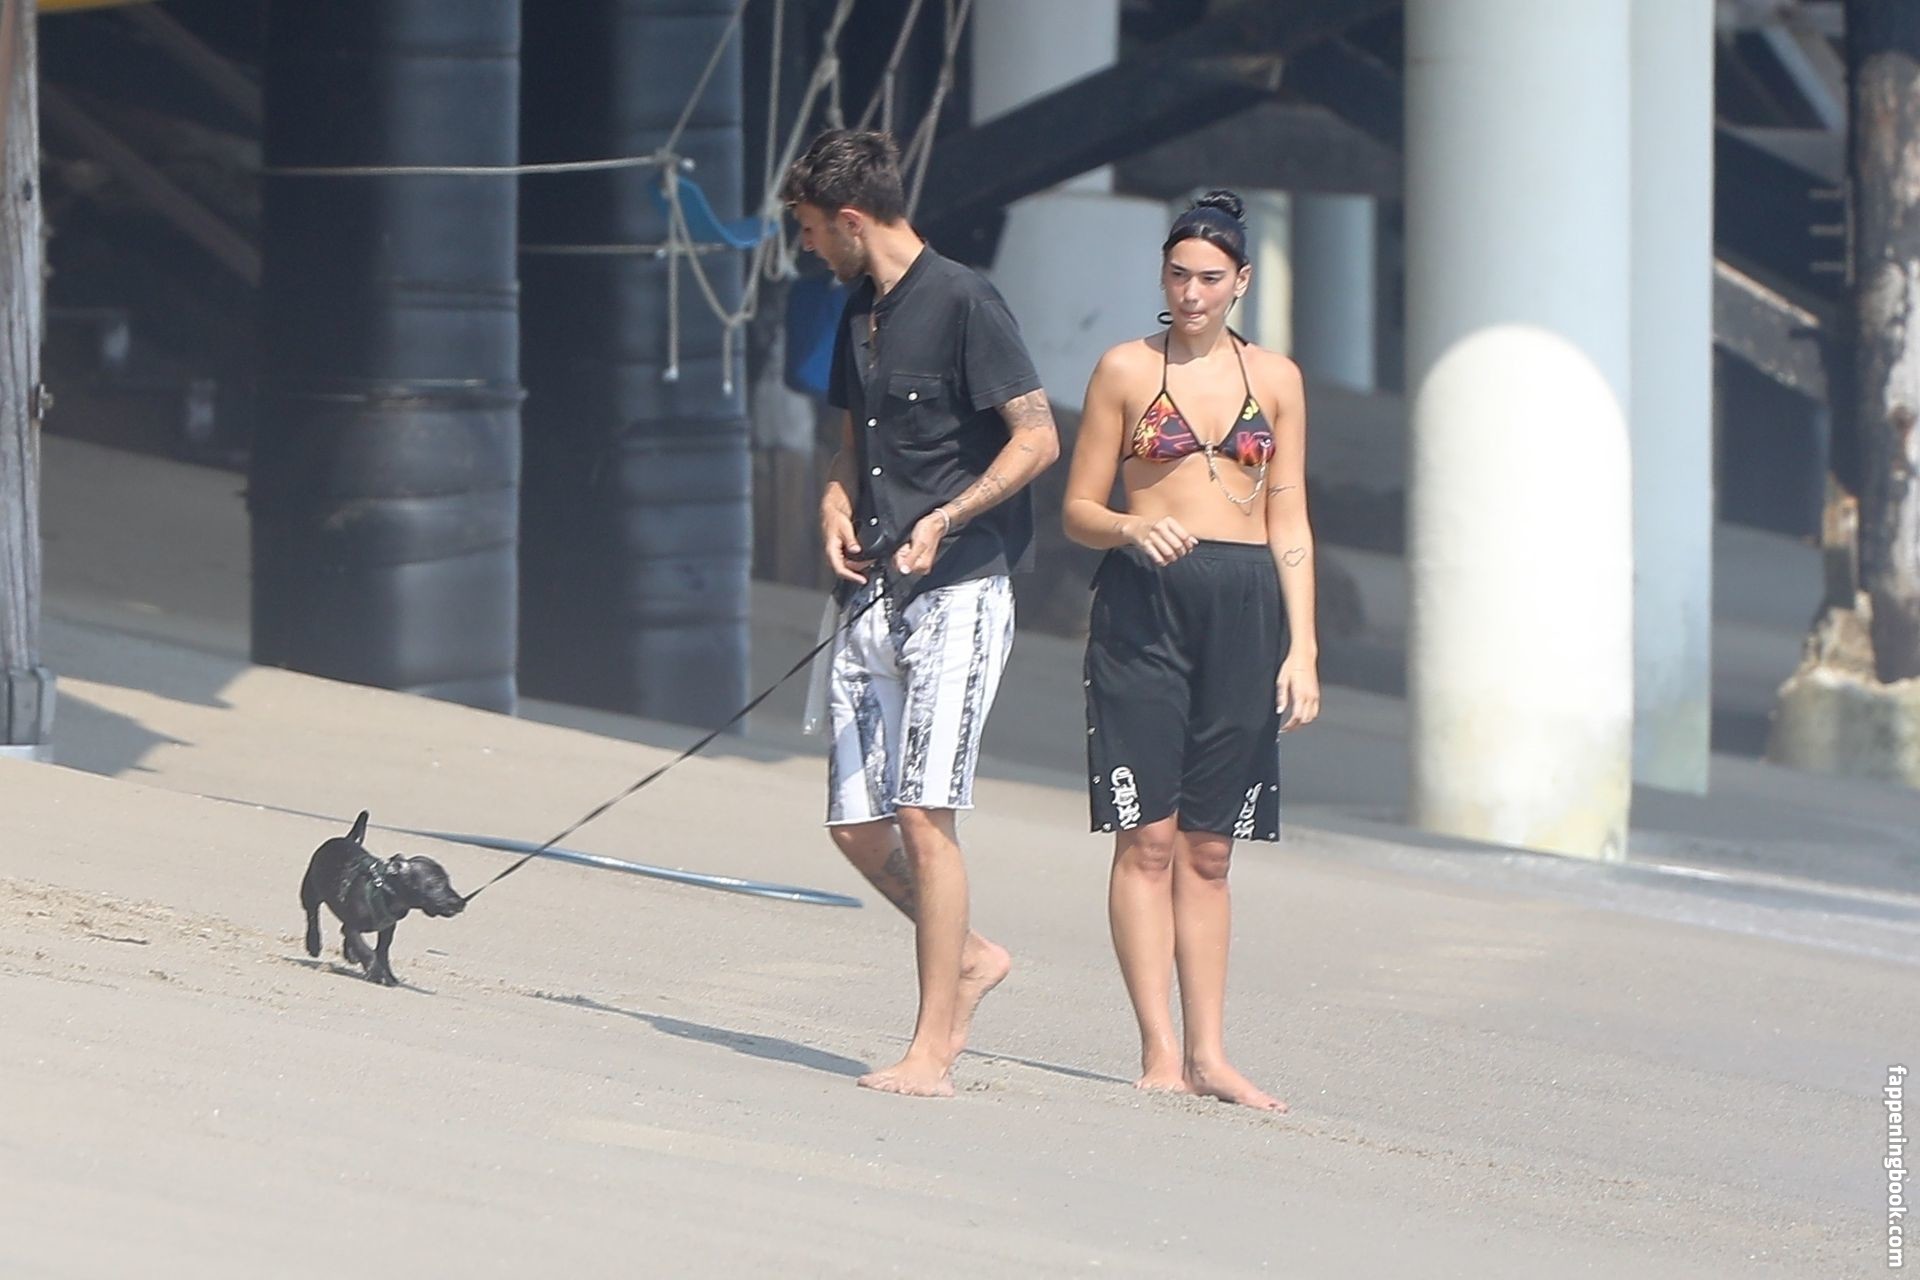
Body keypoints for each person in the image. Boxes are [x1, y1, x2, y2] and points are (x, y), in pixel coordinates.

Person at [781, 129, 1060, 1098]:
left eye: (811, 228)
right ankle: (971, 955)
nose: (806, 245)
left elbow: (1036, 437)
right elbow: (850, 446)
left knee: (922, 812)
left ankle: (931, 1050)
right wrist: (831, 504)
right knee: (858, 825)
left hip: (962, 589)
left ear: (852, 220)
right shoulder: (858, 309)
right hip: (870, 594)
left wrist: (950, 515)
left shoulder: (965, 300)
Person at [1061, 190, 1320, 1112]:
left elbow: (1290, 516)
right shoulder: (1127, 369)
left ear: (1241, 281)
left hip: (1246, 608)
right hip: (1144, 607)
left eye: (1210, 278)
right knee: (1150, 837)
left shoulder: (1277, 379)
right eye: (1179, 276)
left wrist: (1304, 647)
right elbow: (1077, 509)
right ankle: (1159, 1049)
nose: (1193, 293)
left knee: (1211, 849)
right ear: (1163, 278)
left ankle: (1211, 1053)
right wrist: (1131, 527)